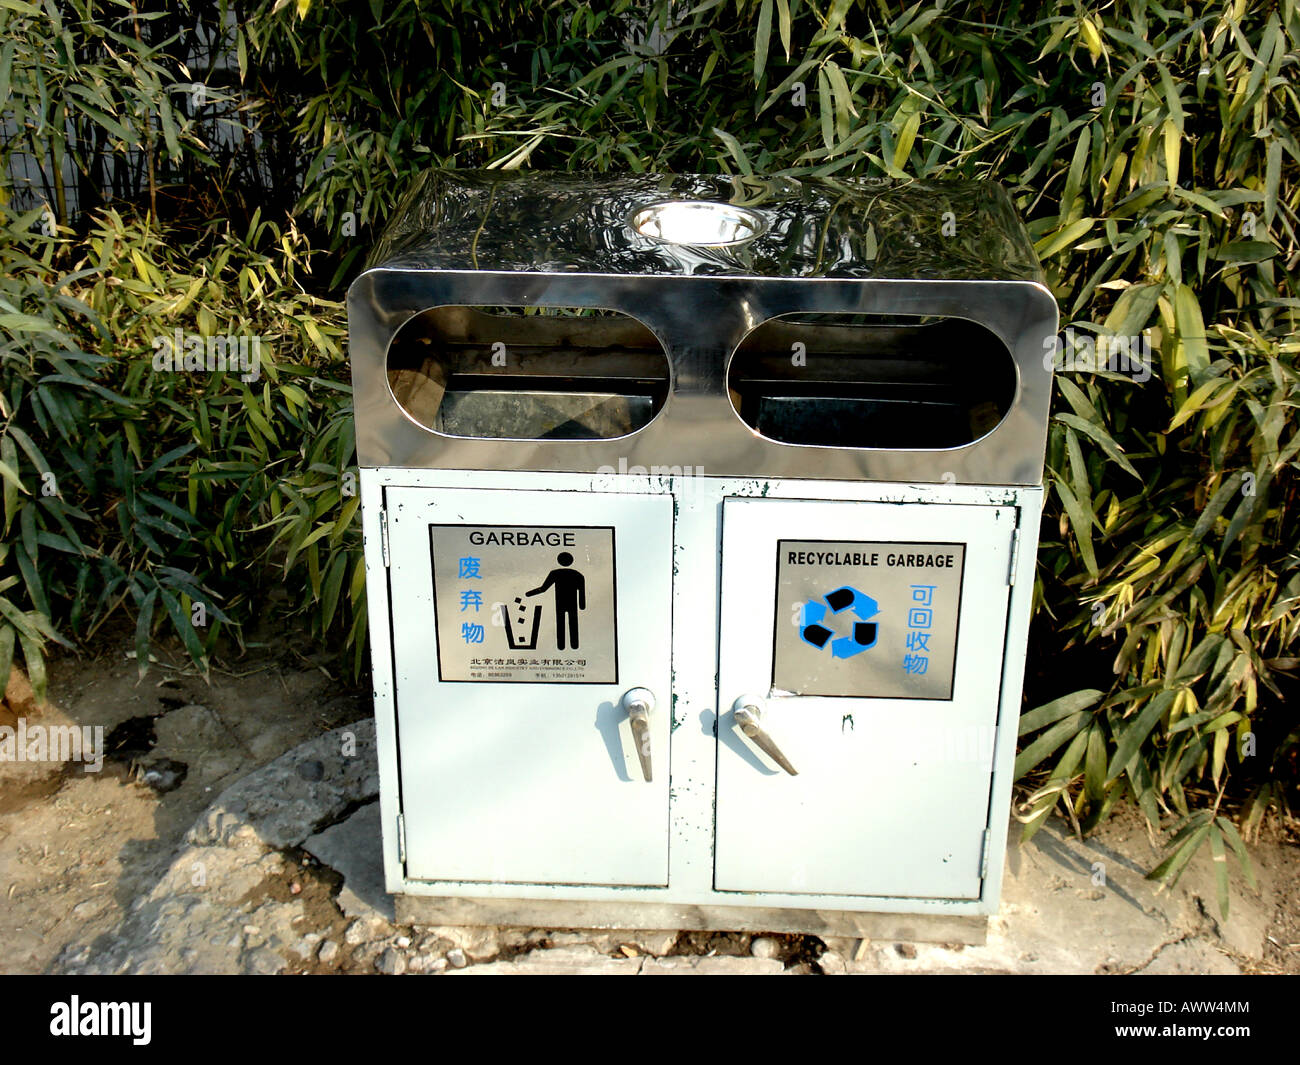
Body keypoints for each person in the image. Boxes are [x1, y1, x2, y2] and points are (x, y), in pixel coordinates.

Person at [525, 552, 586, 650]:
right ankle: (574, 645)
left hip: (560, 603)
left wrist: (529, 593)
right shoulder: (577, 575)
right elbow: (582, 592)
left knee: (560, 623)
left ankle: (561, 646)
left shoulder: (555, 573)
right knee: (573, 623)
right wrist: (582, 605)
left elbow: (543, 588)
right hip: (572, 603)